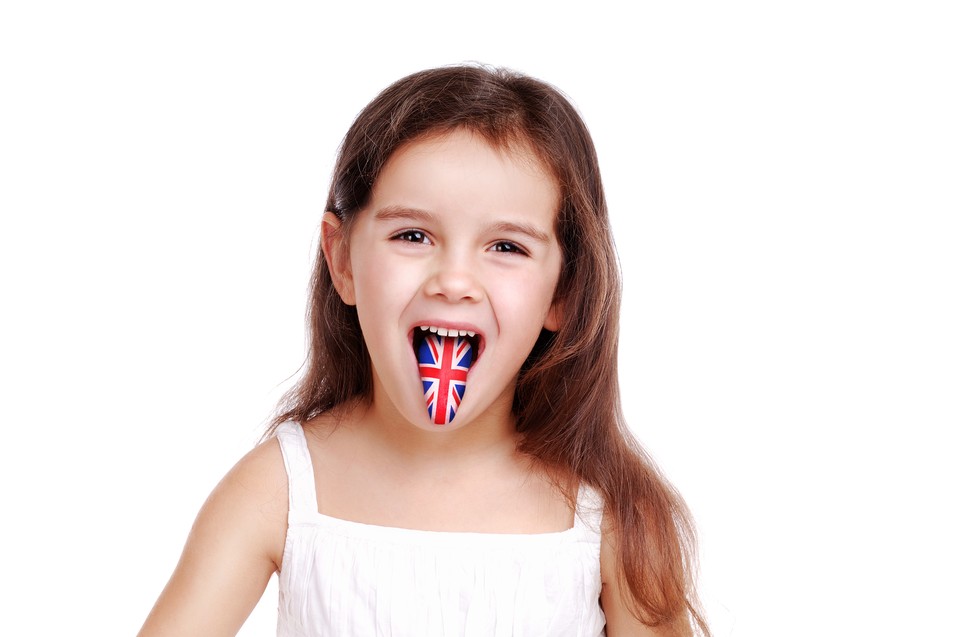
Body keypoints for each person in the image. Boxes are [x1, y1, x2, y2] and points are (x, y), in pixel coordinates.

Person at [138, 64, 710, 637]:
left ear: (563, 292)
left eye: (506, 247)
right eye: (412, 236)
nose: (454, 281)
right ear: (342, 261)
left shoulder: (612, 515)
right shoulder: (278, 491)